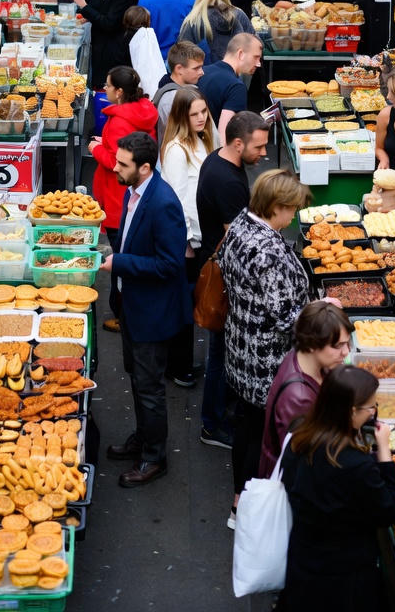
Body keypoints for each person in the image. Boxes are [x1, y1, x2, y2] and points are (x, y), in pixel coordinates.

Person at [217, 169, 311, 524]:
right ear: (277, 207)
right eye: (292, 210)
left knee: (247, 427)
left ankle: (240, 497)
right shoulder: (268, 249)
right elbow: (286, 317)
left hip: (240, 346)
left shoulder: (242, 222)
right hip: (267, 359)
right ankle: (249, 508)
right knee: (263, 434)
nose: (293, 218)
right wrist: (321, 312)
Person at [102, 132, 193, 487]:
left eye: (122, 164)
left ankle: (154, 458)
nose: (114, 167)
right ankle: (142, 438)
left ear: (144, 167)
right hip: (133, 305)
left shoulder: (163, 203)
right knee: (137, 379)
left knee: (149, 386)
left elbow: (170, 265)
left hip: (152, 313)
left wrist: (121, 263)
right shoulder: (135, 190)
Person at [278, 365, 395, 612]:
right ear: (351, 412)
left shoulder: (300, 434)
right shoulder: (355, 464)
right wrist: (384, 450)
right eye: (370, 407)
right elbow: (389, 511)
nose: (373, 412)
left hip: (304, 559)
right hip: (344, 573)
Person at [196, 111, 270, 449]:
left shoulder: (219, 159)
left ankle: (220, 411)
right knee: (219, 353)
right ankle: (212, 423)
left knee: (221, 350)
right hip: (225, 278)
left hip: (219, 268)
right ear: (238, 143)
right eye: (259, 147)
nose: (264, 154)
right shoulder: (228, 183)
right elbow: (237, 239)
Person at [161, 88, 217, 387]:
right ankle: (177, 366)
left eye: (203, 112)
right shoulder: (175, 149)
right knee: (183, 305)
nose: (200, 118)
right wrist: (185, 243)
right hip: (187, 242)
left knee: (194, 299)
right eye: (193, 114)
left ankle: (182, 363)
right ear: (182, 116)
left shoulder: (201, 140)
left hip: (201, 236)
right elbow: (178, 199)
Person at [259, 301, 354, 475]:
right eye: (338, 346)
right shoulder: (299, 400)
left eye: (347, 343)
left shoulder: (301, 357)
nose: (346, 352)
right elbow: (307, 466)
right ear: (312, 344)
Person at [89, 66, 159, 240]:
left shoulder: (119, 122)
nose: (105, 89)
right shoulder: (141, 112)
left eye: (108, 85)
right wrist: (104, 142)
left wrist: (96, 148)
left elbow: (116, 161)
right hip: (135, 193)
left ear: (119, 91)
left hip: (117, 198)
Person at [72, 0, 139, 88]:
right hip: (102, 47)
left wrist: (84, 6)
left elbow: (109, 23)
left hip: (112, 53)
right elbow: (102, 0)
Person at [198, 31, 263, 144]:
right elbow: (225, 137)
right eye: (256, 57)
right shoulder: (236, 87)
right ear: (241, 54)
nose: (259, 64)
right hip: (212, 152)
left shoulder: (202, 72)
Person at [179, 0, 254, 63]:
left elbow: (182, 55)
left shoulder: (194, 19)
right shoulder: (239, 14)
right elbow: (255, 45)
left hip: (203, 75)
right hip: (234, 74)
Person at [152, 40, 206, 144]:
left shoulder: (167, 90)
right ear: (179, 69)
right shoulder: (173, 99)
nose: (202, 72)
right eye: (196, 68)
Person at [122, 6, 166, 98]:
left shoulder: (125, 36)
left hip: (128, 80)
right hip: (143, 86)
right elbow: (147, 64)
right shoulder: (145, 36)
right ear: (146, 20)